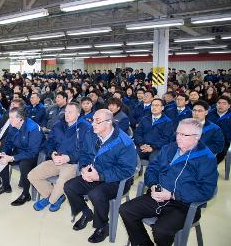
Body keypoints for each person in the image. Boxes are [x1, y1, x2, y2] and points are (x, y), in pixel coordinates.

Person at [119, 118, 218, 246]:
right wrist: (154, 185)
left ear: (197, 137)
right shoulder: (168, 149)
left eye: (184, 135)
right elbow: (152, 169)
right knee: (126, 209)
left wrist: (173, 195)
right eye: (177, 133)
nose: (179, 138)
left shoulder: (206, 158)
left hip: (184, 205)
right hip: (158, 196)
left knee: (161, 231)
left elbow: (206, 190)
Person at [64, 109, 137, 243]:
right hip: (94, 172)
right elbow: (84, 154)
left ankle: (102, 226)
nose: (93, 124)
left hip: (116, 179)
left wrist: (100, 177)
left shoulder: (124, 142)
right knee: (69, 186)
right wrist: (84, 168)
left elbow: (126, 170)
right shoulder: (91, 133)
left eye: (97, 121)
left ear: (109, 122)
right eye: (92, 120)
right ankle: (86, 212)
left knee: (96, 194)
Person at [28, 102, 91, 212]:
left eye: (70, 112)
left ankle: (51, 200)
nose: (67, 114)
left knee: (62, 180)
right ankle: (56, 196)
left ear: (78, 114)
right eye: (66, 111)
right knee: (32, 175)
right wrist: (52, 153)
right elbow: (49, 143)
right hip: (56, 160)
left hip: (72, 163)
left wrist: (69, 158)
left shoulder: (85, 127)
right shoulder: (58, 124)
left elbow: (87, 151)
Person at [0, 107, 44, 206]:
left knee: (24, 164)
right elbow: (8, 143)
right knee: (2, 157)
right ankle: (5, 186)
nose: (9, 120)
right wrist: (4, 153)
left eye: (12, 117)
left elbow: (33, 152)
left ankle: (25, 194)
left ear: (20, 119)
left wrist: (12, 158)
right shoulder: (12, 125)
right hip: (20, 149)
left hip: (34, 154)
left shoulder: (33, 128)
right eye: (9, 117)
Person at [208, 95, 231, 164]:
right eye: (219, 103)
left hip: (224, 142)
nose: (221, 105)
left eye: (224, 103)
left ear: (229, 106)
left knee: (218, 154)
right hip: (207, 139)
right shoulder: (209, 114)